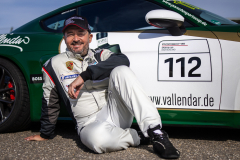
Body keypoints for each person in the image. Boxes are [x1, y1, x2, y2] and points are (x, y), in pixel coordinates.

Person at [25, 15, 180, 159]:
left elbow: (123, 60)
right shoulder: (52, 64)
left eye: (81, 33)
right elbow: (49, 100)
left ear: (90, 37)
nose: (76, 38)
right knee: (98, 143)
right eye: (70, 34)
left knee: (122, 70)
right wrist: (45, 133)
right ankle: (139, 136)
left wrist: (85, 75)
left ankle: (156, 132)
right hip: (87, 123)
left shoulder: (101, 54)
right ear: (64, 38)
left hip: (114, 112)